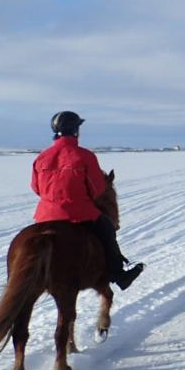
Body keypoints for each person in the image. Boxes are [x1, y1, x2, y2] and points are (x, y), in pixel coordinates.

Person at [32, 111, 144, 290]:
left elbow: (36, 188)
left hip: (45, 216)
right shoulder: (84, 156)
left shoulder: (41, 157)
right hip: (79, 213)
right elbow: (97, 189)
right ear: (75, 130)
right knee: (107, 230)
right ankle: (119, 274)